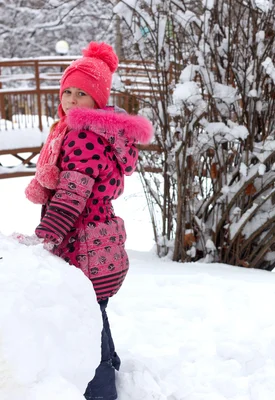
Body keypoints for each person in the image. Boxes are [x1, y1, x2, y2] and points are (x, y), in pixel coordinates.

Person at [24, 42, 153, 400]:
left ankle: (102, 391)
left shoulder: (82, 136)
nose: (71, 100)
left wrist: (44, 237)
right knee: (95, 314)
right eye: (67, 91)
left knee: (87, 322)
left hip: (85, 248)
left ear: (98, 100)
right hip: (101, 242)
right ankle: (111, 367)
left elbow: (71, 195)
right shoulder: (99, 133)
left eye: (82, 93)